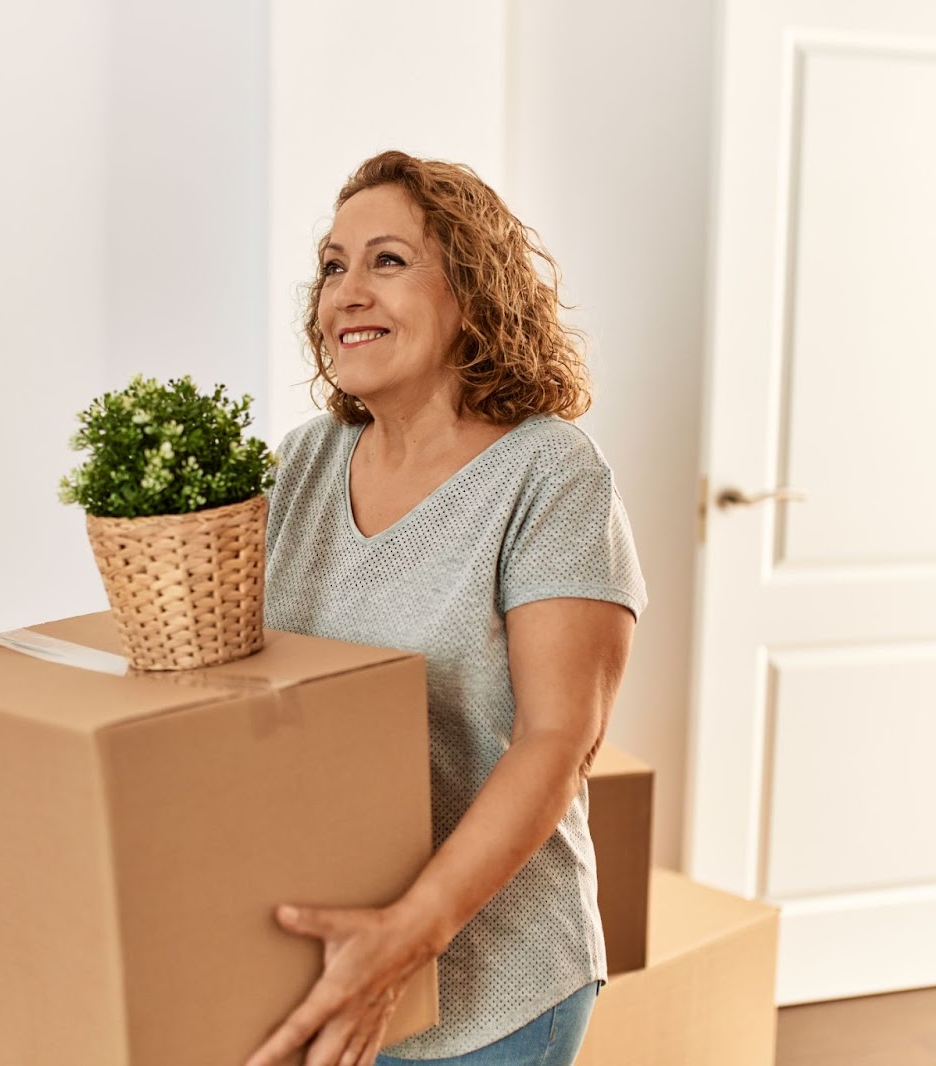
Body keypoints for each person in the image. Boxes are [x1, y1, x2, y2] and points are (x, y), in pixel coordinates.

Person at [244, 150, 647, 1066]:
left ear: (474, 291)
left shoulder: (550, 473)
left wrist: (408, 936)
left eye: (387, 261)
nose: (347, 291)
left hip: (490, 986)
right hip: (325, 959)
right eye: (333, 266)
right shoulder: (304, 461)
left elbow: (559, 739)